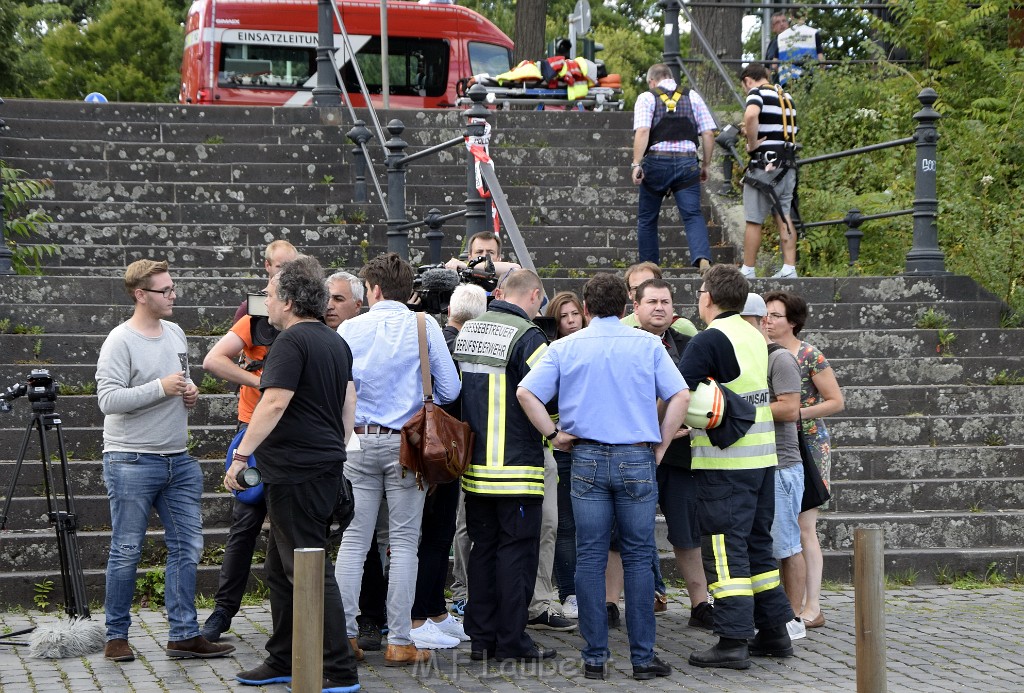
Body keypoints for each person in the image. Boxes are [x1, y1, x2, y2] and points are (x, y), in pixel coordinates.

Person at [517, 272, 690, 682]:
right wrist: (663, 444)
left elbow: (527, 392)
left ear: (588, 309)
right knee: (637, 555)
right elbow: (680, 393)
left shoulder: (564, 346)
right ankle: (643, 658)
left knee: (590, 556)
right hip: (636, 457)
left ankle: (595, 657)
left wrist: (553, 434)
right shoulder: (648, 344)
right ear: (627, 307)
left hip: (587, 458)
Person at [225, 256, 359, 692]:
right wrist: (335, 448)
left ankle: (338, 669)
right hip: (316, 467)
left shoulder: (291, 342)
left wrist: (242, 456)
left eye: (267, 293)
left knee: (309, 568)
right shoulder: (333, 341)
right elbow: (345, 404)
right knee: (281, 569)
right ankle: (283, 655)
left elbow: (275, 401)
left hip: (300, 472)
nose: (264, 301)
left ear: (287, 299)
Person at [96, 259, 234, 662]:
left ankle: (183, 634)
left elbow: (183, 381)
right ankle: (115, 636)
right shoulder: (119, 341)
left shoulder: (174, 332)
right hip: (131, 460)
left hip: (179, 460)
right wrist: (160, 387)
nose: (173, 295)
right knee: (126, 549)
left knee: (188, 547)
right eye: (165, 290)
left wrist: (190, 394)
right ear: (141, 295)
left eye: (173, 288)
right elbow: (107, 401)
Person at [334, 253, 460, 665]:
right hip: (407, 443)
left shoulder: (350, 327)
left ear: (372, 290)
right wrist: (421, 411)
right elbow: (451, 388)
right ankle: (400, 639)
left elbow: (339, 386)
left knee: (354, 540)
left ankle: (346, 636)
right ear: (411, 292)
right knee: (404, 542)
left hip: (359, 440)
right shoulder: (424, 325)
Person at [679, 265, 795, 670]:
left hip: (725, 464)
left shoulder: (710, 338)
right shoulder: (754, 334)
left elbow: (680, 393)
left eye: (700, 292)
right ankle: (774, 632)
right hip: (762, 461)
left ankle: (732, 641)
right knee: (757, 547)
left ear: (708, 297)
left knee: (726, 553)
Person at [452, 269, 556, 662]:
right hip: (517, 469)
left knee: (483, 551)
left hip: (475, 470)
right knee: (517, 555)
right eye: (540, 302)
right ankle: (513, 642)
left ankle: (481, 639)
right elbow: (549, 393)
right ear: (532, 295)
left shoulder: (471, 331)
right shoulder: (529, 337)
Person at [407, 285, 487, 650]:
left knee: (436, 535)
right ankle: (420, 613)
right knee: (434, 536)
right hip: (438, 448)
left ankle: (435, 609)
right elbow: (452, 392)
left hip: (434, 447)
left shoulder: (439, 336)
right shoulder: (450, 343)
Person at [633, 277, 715, 630]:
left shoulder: (691, 345)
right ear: (635, 307)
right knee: (622, 535)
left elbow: (707, 396)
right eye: (652, 302)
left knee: (686, 532)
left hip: (680, 453)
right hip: (632, 451)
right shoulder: (624, 344)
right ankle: (609, 603)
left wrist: (684, 428)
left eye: (665, 302)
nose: (659, 308)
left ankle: (700, 604)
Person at [762, 290, 844, 630]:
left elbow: (836, 400)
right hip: (776, 448)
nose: (768, 320)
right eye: (765, 314)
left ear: (792, 320)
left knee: (803, 527)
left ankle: (812, 605)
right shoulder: (761, 353)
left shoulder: (809, 354)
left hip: (808, 446)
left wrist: (798, 413)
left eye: (776, 315)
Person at [740, 293, 806, 642]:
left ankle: (794, 616)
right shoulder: (747, 358)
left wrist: (742, 410)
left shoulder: (779, 359)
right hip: (758, 463)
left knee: (786, 544)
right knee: (765, 545)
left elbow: (790, 409)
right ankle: (770, 615)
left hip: (782, 465)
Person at [631, 63, 715, 271]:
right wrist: (705, 165)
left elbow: (643, 131)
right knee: (692, 215)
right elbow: (708, 133)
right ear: (670, 78)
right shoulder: (692, 96)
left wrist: (636, 164)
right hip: (687, 163)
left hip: (657, 162)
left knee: (647, 218)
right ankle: (702, 258)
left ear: (652, 81)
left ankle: (650, 268)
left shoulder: (647, 97)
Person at [543, 291, 586, 617]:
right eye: (564, 317)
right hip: (560, 448)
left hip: (589, 446)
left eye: (575, 314)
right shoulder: (551, 354)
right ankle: (569, 592)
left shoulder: (590, 348)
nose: (571, 321)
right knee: (565, 524)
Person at [739, 63, 799, 280]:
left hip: (764, 166)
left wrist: (752, 143)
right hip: (787, 165)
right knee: (783, 214)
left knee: (754, 219)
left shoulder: (757, 93)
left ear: (747, 80)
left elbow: (751, 115)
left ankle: (748, 269)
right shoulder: (786, 97)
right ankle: (789, 268)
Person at [621, 262, 698, 337]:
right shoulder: (621, 326)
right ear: (629, 293)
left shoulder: (683, 327)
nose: (642, 291)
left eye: (648, 285)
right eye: (636, 288)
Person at [234, 240, 297, 322]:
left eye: (290, 266)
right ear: (267, 265)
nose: (284, 271)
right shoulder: (250, 306)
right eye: (279, 267)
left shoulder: (302, 304)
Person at [445, 231, 521, 286]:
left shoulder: (505, 280)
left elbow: (516, 269)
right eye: (479, 252)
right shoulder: (462, 279)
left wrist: (468, 267)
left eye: (490, 252)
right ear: (470, 257)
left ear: (498, 258)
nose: (484, 256)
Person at [776, 9, 824, 86]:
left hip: (786, 80)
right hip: (809, 78)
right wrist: (822, 74)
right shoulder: (814, 33)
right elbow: (821, 59)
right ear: (805, 15)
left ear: (791, 17)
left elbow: (774, 64)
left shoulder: (780, 37)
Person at [764, 12, 789, 79]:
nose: (782, 24)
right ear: (773, 28)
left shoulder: (794, 41)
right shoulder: (773, 44)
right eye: (778, 22)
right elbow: (768, 67)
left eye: (784, 21)